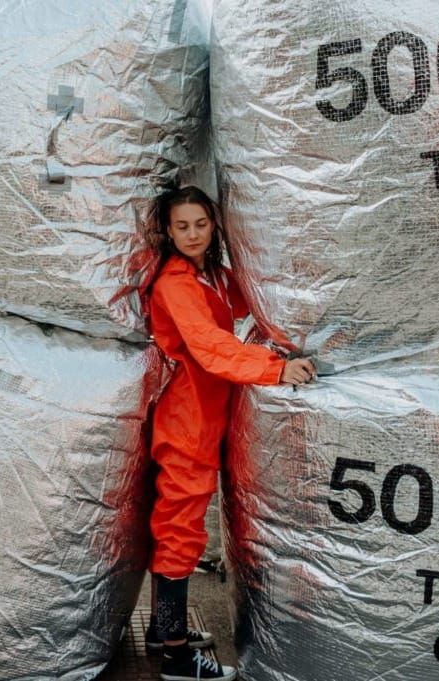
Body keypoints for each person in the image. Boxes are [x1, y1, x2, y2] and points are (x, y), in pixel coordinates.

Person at [142, 186, 315, 681]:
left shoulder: (213, 275)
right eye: (182, 226)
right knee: (180, 532)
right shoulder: (175, 283)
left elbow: (261, 300)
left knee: (181, 526)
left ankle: (160, 627)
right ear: (167, 231)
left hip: (206, 413)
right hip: (186, 421)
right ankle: (176, 655)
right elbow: (210, 345)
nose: (192, 234)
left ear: (214, 226)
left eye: (200, 224)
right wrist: (274, 370)